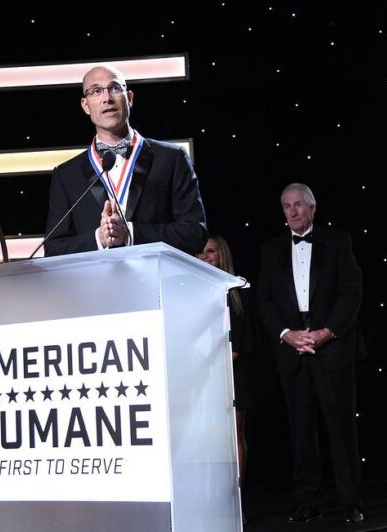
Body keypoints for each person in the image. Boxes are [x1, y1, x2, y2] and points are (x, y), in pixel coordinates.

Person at [257, 183, 366, 525]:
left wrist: (327, 332)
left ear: (313, 208)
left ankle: (351, 502)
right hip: (293, 350)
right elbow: (265, 300)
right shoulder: (270, 249)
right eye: (286, 206)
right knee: (301, 432)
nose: (292, 212)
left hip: (331, 347)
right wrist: (286, 334)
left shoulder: (338, 242)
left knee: (341, 428)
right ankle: (308, 501)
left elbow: (351, 292)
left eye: (299, 205)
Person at [43, 64, 207, 256]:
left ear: (129, 98)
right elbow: (53, 248)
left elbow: (195, 233)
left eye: (114, 88)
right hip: (95, 284)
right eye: (96, 91)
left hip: (156, 282)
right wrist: (99, 238)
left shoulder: (171, 158)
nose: (107, 98)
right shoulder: (66, 174)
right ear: (85, 105)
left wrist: (131, 233)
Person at [198, 233, 255, 483]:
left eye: (211, 251)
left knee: (233, 433)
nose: (205, 257)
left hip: (233, 372)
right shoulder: (189, 290)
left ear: (222, 254)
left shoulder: (238, 289)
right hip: (201, 373)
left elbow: (243, 339)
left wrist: (217, 365)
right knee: (206, 436)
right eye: (201, 252)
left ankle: (237, 496)